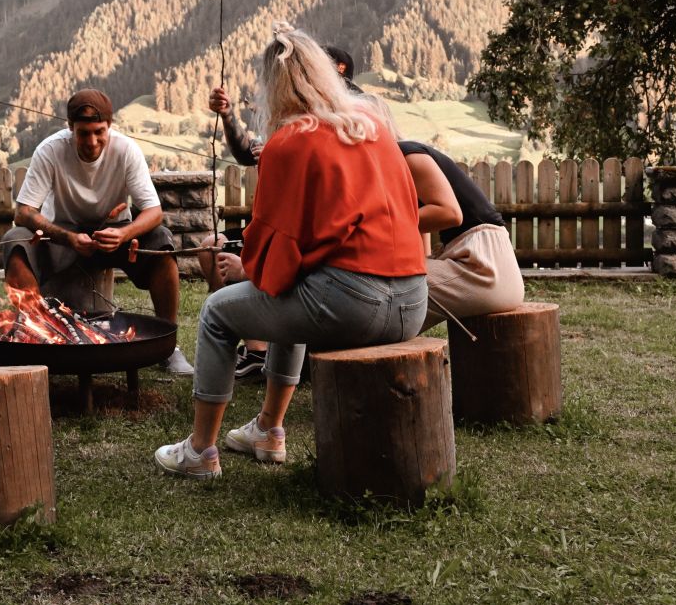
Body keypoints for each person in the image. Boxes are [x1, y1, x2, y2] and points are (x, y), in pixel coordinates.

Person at [155, 24, 427, 479]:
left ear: (272, 85)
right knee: (291, 294)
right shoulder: (373, 126)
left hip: (355, 303)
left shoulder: (289, 141)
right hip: (413, 300)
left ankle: (200, 452)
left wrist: (247, 267)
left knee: (218, 314)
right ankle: (268, 429)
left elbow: (276, 245)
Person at [198, 42, 362, 379]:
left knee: (247, 291)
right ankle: (256, 351)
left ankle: (214, 425)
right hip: (293, 237)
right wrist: (228, 116)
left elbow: (296, 234)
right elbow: (246, 153)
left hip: (314, 246)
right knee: (211, 247)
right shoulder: (287, 123)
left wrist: (251, 270)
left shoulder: (344, 123)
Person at [0, 89, 192, 375]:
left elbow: (154, 211)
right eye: (83, 133)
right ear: (70, 129)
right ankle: (37, 338)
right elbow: (24, 212)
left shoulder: (126, 150)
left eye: (99, 132)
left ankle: (168, 348)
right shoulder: (50, 150)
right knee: (14, 242)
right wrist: (68, 238)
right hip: (62, 234)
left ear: (110, 126)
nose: (92, 142)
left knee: (162, 241)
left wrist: (124, 234)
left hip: (115, 234)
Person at [360, 97, 525, 331]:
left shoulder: (407, 154)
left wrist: (377, 226)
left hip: (483, 267)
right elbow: (419, 221)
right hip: (486, 267)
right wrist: (422, 259)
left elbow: (449, 213)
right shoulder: (397, 161)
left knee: (372, 290)